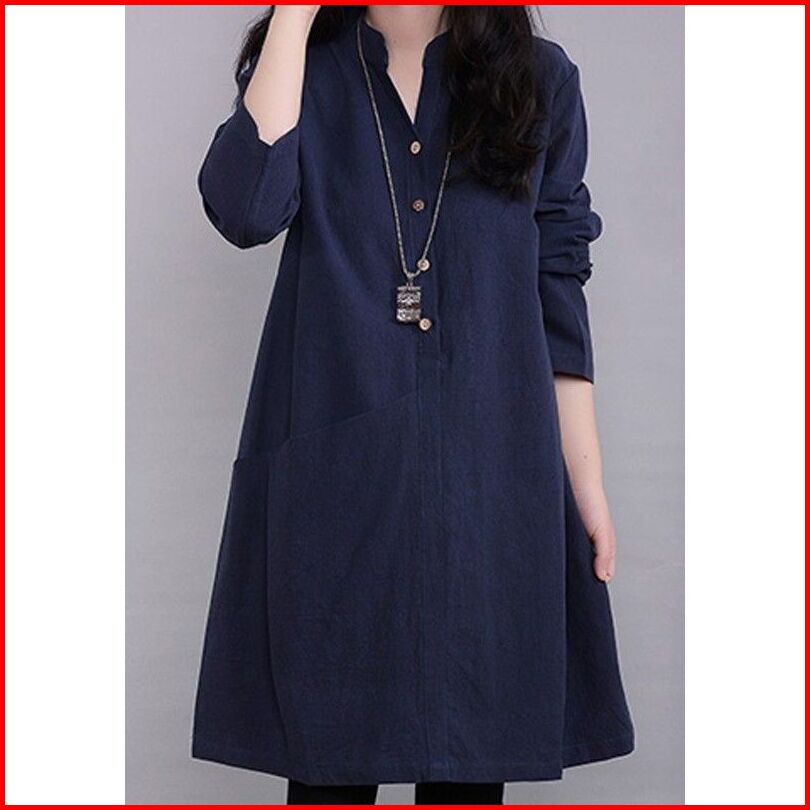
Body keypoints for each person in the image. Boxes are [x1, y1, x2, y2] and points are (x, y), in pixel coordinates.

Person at [191, 5, 634, 805]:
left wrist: (587, 482)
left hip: (492, 471)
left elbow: (557, 282)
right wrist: (293, 18)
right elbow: (246, 209)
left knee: (471, 764)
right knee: (328, 770)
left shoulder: (539, 79)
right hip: (334, 479)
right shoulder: (306, 71)